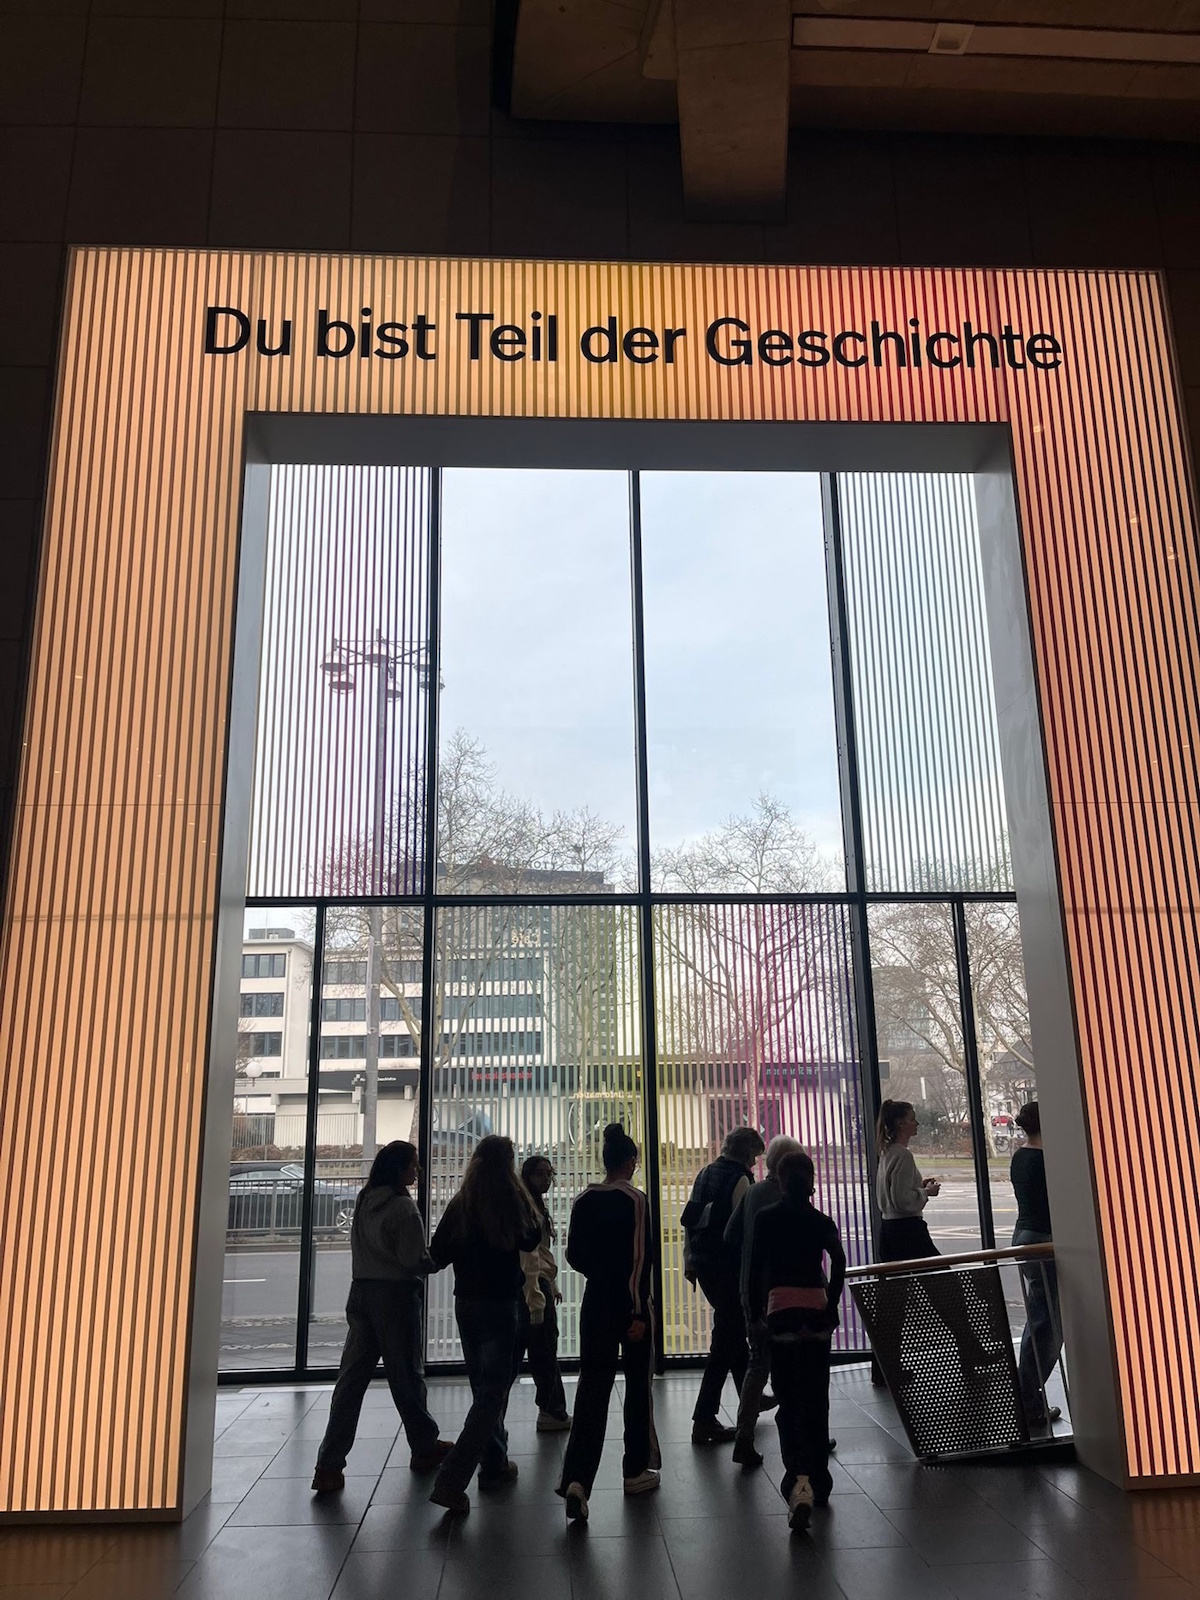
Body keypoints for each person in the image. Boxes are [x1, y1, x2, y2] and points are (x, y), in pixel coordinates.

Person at [312, 1141, 452, 1494]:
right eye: (413, 1165)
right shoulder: (404, 1208)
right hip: (395, 1298)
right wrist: (439, 1258)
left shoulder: (364, 1199)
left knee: (351, 1382)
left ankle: (328, 1465)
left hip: (361, 1293)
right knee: (407, 1378)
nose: (417, 1170)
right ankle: (424, 1447)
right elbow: (413, 1260)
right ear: (399, 1169)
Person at [427, 1135, 543, 1515]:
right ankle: (452, 1479)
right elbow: (532, 1238)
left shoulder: (462, 1203)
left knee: (483, 1387)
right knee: (493, 1393)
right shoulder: (511, 1200)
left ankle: (494, 1463)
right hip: (501, 1305)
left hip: (467, 1304)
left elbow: (438, 1253)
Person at [558, 1123, 660, 1522]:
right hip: (629, 1306)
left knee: (592, 1390)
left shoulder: (584, 1199)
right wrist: (637, 1312)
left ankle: (576, 1480)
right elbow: (640, 1261)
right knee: (637, 1389)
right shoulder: (636, 1200)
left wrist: (598, 1276)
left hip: (595, 1304)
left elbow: (573, 1255)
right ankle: (634, 1470)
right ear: (631, 1162)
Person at [748, 1152, 845, 1533]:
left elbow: (756, 1269)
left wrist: (756, 1315)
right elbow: (838, 1261)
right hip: (816, 1314)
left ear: (780, 1180)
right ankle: (820, 1480)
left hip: (781, 1314)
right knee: (816, 1398)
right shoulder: (821, 1221)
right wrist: (831, 1304)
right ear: (811, 1181)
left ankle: (798, 1481)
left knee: (788, 1402)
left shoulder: (766, 1218)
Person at [872, 1099, 997, 1383]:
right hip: (909, 1232)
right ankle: (971, 1351)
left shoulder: (887, 1153)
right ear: (902, 1124)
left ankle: (883, 1368)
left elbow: (891, 1197)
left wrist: (917, 1187)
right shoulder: (904, 1156)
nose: (916, 1123)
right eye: (912, 1119)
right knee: (947, 1291)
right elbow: (904, 1202)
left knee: (892, 1304)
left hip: (890, 1233)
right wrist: (926, 1193)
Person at [683, 1125, 766, 1444]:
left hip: (705, 1265)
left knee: (731, 1335)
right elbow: (745, 1233)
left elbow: (690, 1220)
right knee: (724, 1342)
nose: (755, 1162)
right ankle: (704, 1418)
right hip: (728, 1269)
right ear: (746, 1153)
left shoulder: (705, 1173)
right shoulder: (741, 1180)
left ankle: (751, 1397)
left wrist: (690, 1261)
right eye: (755, 1155)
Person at [724, 1133, 802, 1466]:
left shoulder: (753, 1192)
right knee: (796, 1365)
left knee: (757, 1365)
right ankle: (802, 1436)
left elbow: (730, 1235)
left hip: (750, 1289)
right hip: (783, 1292)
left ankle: (744, 1436)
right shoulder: (789, 1197)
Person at [1011, 1101, 1063, 1427]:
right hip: (1044, 1241)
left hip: (1024, 1237)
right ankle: (1028, 1398)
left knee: (1039, 1317)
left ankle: (1027, 1396)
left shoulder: (1020, 1157)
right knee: (1048, 1325)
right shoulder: (1046, 1161)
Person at [517, 1154, 571, 1432]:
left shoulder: (535, 1204)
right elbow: (529, 1256)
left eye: (550, 1173)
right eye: (540, 1173)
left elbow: (540, 1252)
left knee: (543, 1348)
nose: (547, 1178)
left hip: (541, 1281)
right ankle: (552, 1410)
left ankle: (552, 1408)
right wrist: (539, 1293)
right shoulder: (526, 1207)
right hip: (535, 1285)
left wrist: (552, 1284)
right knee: (544, 1349)